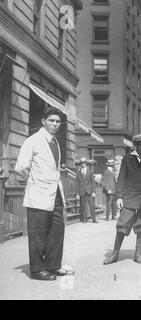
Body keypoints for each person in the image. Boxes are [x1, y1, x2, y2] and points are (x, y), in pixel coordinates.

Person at [15, 109, 69, 281]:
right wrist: (35, 181)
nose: (54, 124)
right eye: (51, 120)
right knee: (38, 233)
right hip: (39, 194)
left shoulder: (55, 142)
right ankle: (38, 270)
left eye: (58, 122)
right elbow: (21, 167)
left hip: (55, 193)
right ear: (44, 121)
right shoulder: (33, 140)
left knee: (56, 230)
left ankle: (53, 265)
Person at [103, 133, 141, 265]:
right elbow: (121, 179)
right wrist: (119, 197)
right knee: (122, 225)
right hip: (129, 197)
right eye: (139, 145)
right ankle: (115, 254)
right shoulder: (127, 159)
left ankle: (138, 254)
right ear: (135, 146)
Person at [75, 157, 97, 223]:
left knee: (92, 205)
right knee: (83, 206)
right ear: (80, 164)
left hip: (89, 191)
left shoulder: (90, 171)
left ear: (86, 163)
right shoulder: (78, 172)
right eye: (82, 163)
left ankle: (94, 219)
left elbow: (93, 182)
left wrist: (93, 192)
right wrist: (77, 194)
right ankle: (85, 219)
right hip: (82, 191)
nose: (83, 164)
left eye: (84, 163)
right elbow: (77, 183)